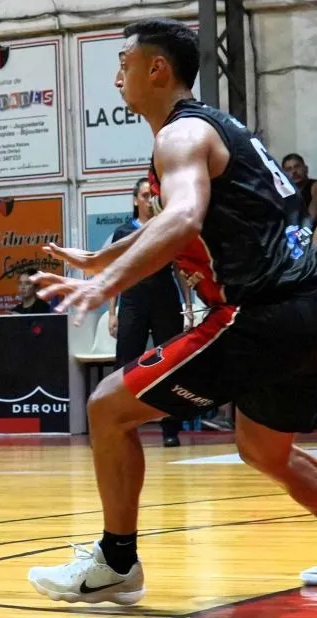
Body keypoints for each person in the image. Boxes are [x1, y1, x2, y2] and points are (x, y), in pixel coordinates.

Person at [27, 19, 317, 605]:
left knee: (107, 409)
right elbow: (186, 222)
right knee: (265, 451)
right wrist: (102, 257)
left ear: (156, 68)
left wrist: (107, 282)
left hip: (258, 313)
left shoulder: (179, 136)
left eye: (123, 64)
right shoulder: (216, 128)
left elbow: (183, 218)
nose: (117, 78)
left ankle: (117, 562)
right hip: (309, 310)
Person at [109, 177, 193, 447]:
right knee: (126, 363)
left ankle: (170, 429)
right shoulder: (123, 232)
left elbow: (180, 269)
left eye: (152, 196)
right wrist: (112, 312)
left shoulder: (168, 227)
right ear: (135, 200)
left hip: (165, 298)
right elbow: (114, 273)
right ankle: (122, 425)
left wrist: (188, 305)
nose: (149, 200)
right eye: (144, 195)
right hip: (132, 300)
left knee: (169, 363)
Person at [282, 153, 317, 226]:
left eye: (297, 167)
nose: (294, 171)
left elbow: (308, 222)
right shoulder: (285, 193)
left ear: (306, 169)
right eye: (289, 169)